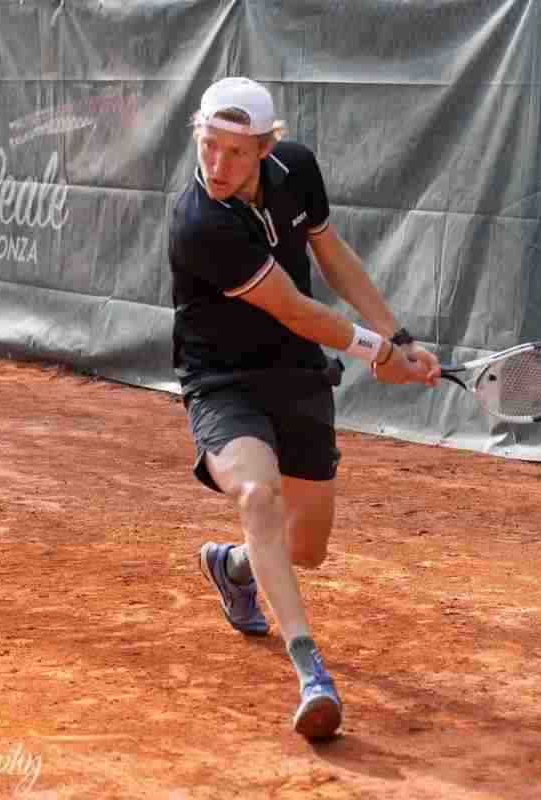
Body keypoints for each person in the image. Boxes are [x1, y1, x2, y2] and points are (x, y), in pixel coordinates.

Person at [168, 76, 441, 740]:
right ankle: (310, 669)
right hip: (222, 380)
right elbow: (291, 305)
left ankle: (233, 565)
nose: (218, 167)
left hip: (297, 374)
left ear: (266, 147)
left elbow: (332, 254)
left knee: (306, 548)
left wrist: (397, 338)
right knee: (257, 495)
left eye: (236, 152)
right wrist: (376, 352)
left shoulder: (298, 169)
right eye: (208, 147)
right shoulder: (200, 221)